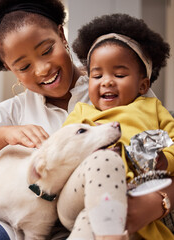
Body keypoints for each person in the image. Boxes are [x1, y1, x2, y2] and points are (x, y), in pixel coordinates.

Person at [0, 0, 173, 238]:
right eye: (23, 66)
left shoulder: (109, 85)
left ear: (62, 35)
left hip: (94, 213)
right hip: (14, 225)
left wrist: (156, 203)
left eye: (47, 50)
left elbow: (159, 155)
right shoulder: (14, 111)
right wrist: (4, 134)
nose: (42, 69)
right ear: (9, 68)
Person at [59, 13, 174, 240]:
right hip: (84, 192)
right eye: (97, 74)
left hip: (135, 202)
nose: (107, 81)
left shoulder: (152, 109)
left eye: (119, 74)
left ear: (143, 85)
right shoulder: (83, 112)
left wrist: (166, 159)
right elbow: (63, 146)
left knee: (91, 222)